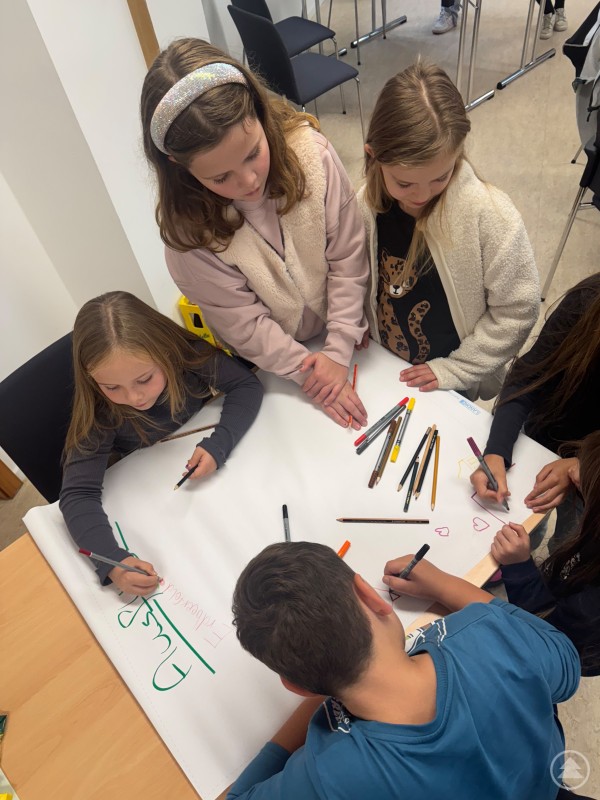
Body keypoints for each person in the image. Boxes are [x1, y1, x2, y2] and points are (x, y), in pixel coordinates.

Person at [227, 541, 579, 799]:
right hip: (545, 785)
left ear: (295, 687)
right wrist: (444, 585)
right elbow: (566, 660)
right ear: (370, 595)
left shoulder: (332, 774)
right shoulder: (488, 633)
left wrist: (319, 688)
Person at [140, 39, 369, 431]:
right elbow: (245, 325)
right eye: (220, 177)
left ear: (260, 114)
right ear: (177, 165)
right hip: (277, 364)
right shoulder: (188, 238)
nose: (248, 182)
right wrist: (312, 373)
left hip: (350, 335)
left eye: (252, 153)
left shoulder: (313, 155)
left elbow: (348, 256)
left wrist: (340, 343)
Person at [59, 291, 263, 595]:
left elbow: (245, 384)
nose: (134, 397)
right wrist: (113, 561)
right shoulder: (98, 412)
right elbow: (77, 494)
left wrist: (219, 443)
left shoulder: (187, 354)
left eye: (144, 379)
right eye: (112, 387)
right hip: (150, 494)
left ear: (165, 353)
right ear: (92, 381)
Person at [358, 62, 540, 401]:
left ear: (457, 154)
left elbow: (519, 308)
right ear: (373, 158)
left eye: (440, 177)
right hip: (382, 367)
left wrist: (457, 369)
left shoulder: (491, 216)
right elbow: (350, 280)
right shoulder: (361, 208)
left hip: (451, 382)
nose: (422, 195)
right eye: (404, 182)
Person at [471, 274, 599, 550]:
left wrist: (583, 465)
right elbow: (529, 378)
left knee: (571, 549)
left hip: (593, 480)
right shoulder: (589, 298)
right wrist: (497, 450)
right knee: (527, 523)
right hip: (543, 439)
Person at [491, 430, 600, 677]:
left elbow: (546, 636)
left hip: (557, 648)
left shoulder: (589, 610)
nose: (574, 474)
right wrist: (577, 462)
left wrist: (519, 569)